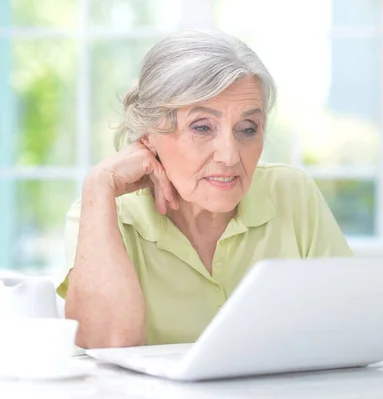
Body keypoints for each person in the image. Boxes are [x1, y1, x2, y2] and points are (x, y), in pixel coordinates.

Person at [57, 30, 353, 349]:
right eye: (202, 127)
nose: (229, 155)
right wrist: (99, 184)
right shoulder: (102, 213)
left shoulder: (293, 194)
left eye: (247, 129)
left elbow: (353, 325)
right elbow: (105, 347)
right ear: (148, 133)